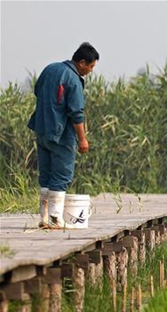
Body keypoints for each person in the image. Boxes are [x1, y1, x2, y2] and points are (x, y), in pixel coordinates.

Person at [28, 42, 99, 228]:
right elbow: (76, 113)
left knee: (46, 174)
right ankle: (56, 218)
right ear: (82, 62)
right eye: (90, 67)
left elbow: (37, 91)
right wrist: (82, 139)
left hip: (42, 129)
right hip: (61, 134)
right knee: (61, 175)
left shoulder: (50, 69)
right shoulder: (73, 79)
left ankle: (43, 218)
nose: (90, 71)